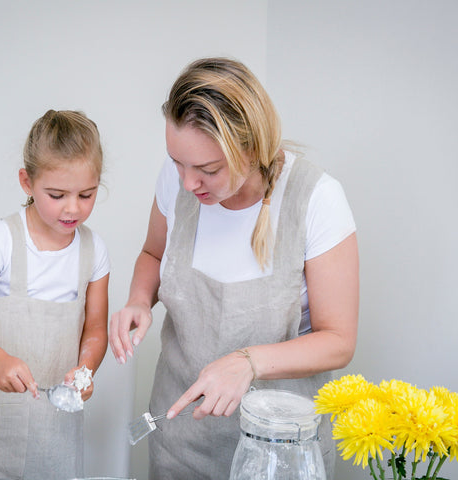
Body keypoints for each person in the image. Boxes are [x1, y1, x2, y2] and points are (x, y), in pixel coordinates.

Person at [109, 57, 359, 479]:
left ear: (252, 148)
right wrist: (138, 299)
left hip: (278, 452)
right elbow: (152, 255)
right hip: (180, 443)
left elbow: (338, 341)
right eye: (177, 162)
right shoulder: (178, 183)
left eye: (208, 169)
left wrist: (248, 361)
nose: (188, 183)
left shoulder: (316, 199)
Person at [0, 109, 110, 480]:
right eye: (57, 194)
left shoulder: (93, 250)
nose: (73, 207)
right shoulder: (1, 239)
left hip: (54, 439)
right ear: (26, 182)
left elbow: (96, 328)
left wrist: (86, 369)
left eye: (87, 194)